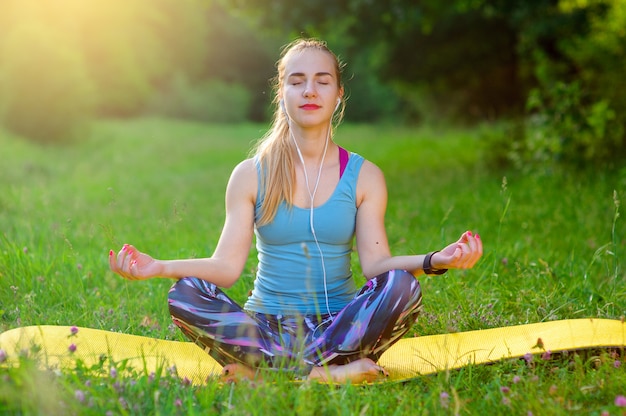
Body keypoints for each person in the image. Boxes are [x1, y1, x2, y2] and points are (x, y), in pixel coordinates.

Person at [109, 38, 483, 384]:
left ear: (338, 94)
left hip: (342, 326)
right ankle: (326, 374)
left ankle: (271, 372)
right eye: (296, 81)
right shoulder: (250, 174)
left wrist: (437, 259)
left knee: (403, 285)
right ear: (281, 92)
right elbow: (225, 268)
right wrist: (159, 268)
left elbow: (376, 267)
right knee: (186, 293)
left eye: (322, 81)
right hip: (265, 328)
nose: (309, 91)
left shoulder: (365, 176)